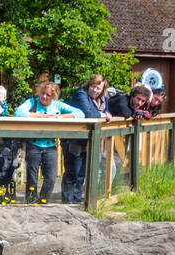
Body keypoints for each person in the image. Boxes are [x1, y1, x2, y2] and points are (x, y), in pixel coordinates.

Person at [13, 80, 85, 204]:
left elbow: (80, 114)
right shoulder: (32, 102)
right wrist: (40, 116)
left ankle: (42, 201)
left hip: (50, 145)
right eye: (43, 93)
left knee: (51, 178)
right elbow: (18, 113)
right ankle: (31, 202)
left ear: (54, 97)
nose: (44, 97)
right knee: (32, 179)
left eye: (48, 95)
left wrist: (59, 117)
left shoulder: (58, 105)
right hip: (33, 145)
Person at [62, 74, 111, 204]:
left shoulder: (103, 100)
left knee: (82, 173)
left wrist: (104, 114)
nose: (95, 90)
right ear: (89, 85)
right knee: (73, 170)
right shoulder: (81, 94)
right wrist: (103, 115)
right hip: (73, 138)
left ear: (102, 90)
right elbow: (88, 113)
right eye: (93, 86)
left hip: (88, 139)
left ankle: (77, 199)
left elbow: (105, 111)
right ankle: (67, 200)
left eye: (98, 88)